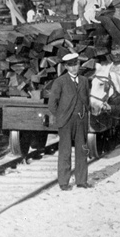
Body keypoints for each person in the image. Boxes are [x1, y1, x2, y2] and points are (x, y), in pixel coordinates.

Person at [47, 53, 91, 190]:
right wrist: (61, 116)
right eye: (70, 66)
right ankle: (64, 182)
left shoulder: (84, 81)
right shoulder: (59, 82)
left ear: (79, 65)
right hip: (66, 121)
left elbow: (87, 99)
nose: (74, 68)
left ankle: (82, 181)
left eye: (76, 65)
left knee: (82, 151)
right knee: (65, 152)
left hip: (81, 120)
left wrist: (86, 112)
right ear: (66, 67)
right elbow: (52, 104)